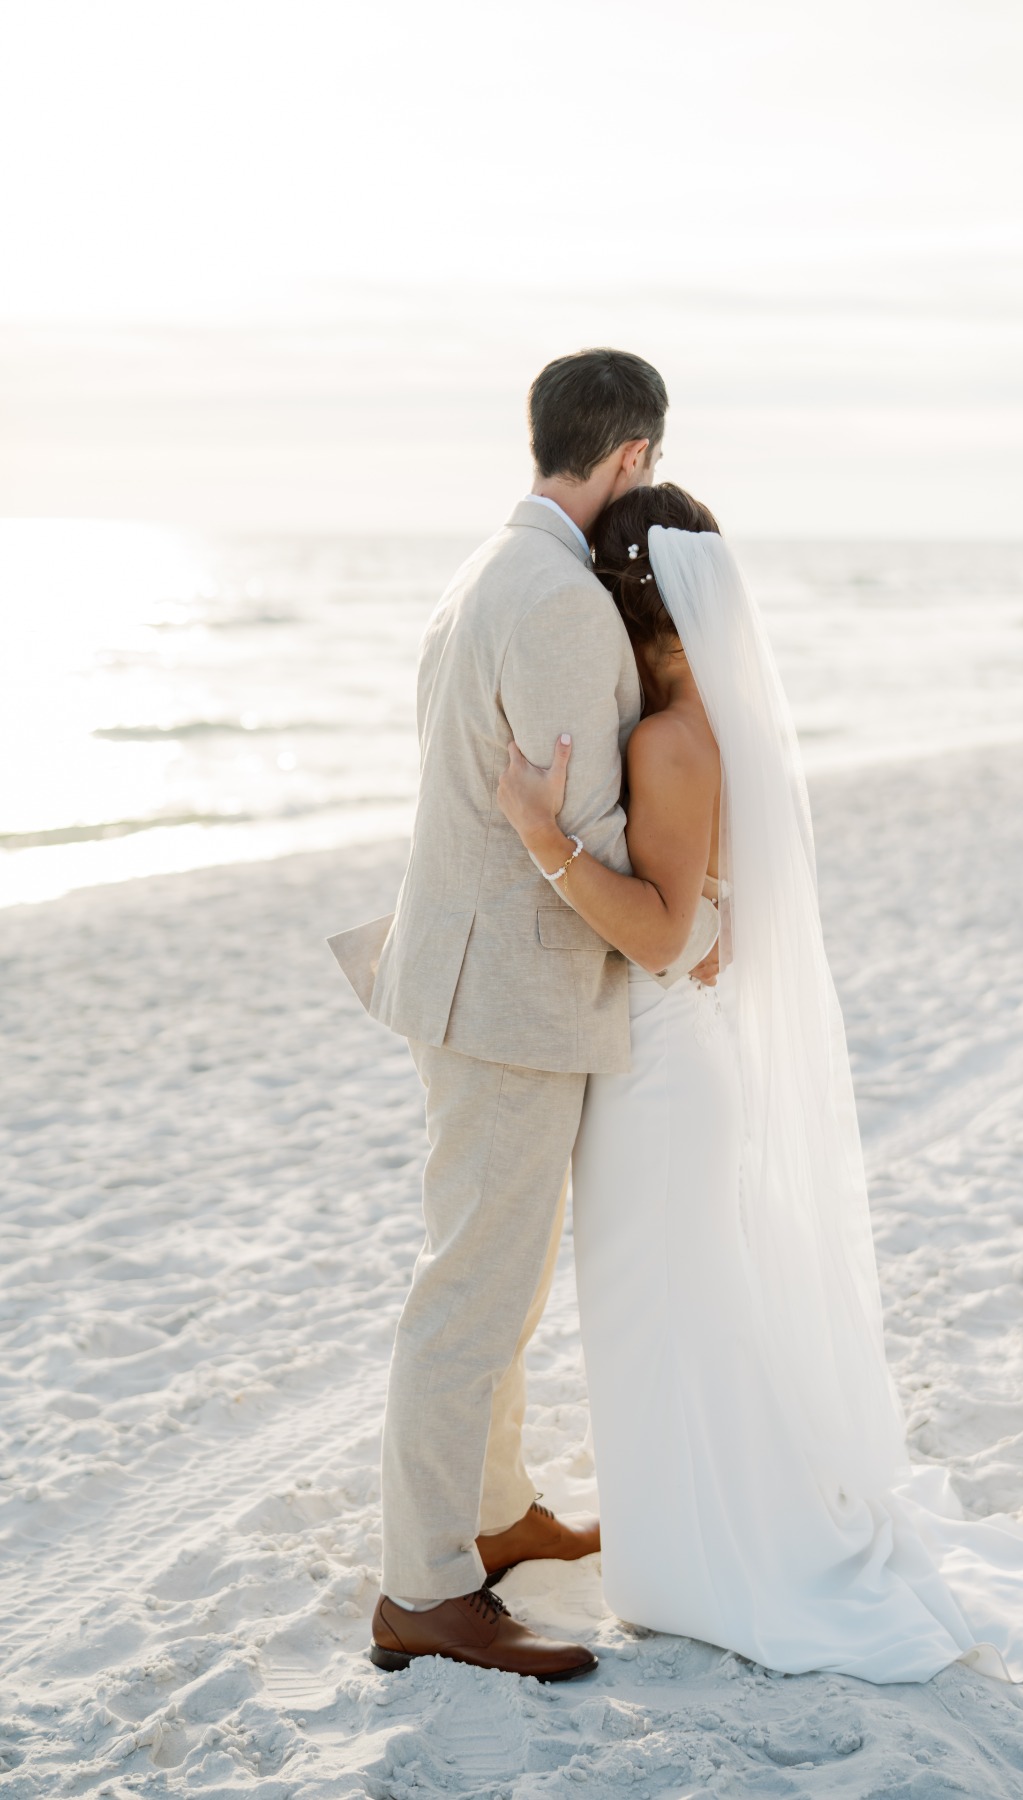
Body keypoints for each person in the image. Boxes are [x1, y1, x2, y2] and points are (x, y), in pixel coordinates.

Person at [496, 482, 1023, 1682]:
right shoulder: (712, 728)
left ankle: (707, 1563)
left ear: (625, 601)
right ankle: (691, 1552)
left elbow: (661, 938)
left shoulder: (666, 740)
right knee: (684, 1317)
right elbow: (709, 916)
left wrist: (542, 839)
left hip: (662, 1076)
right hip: (678, 1062)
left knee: (671, 1321)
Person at [331, 351, 720, 1682]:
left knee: (496, 1280)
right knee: (471, 1293)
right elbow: (591, 834)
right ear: (629, 460)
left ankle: (493, 1518)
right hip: (502, 992)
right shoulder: (557, 601)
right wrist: (694, 922)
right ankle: (425, 1589)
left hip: (469, 970)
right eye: (648, 468)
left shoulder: (488, 567)